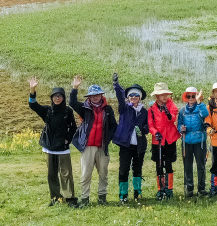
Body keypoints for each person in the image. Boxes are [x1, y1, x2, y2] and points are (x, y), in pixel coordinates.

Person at [28, 78, 77, 206]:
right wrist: (32, 90)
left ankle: (70, 198)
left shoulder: (68, 111)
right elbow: (33, 105)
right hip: (49, 148)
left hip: (63, 148)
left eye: (60, 96)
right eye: (55, 96)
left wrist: (67, 139)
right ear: (52, 98)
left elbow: (73, 127)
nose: (57, 98)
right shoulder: (47, 110)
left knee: (66, 174)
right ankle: (56, 198)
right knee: (52, 175)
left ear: (63, 98)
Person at [70, 78, 117, 206]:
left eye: (97, 95)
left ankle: (102, 198)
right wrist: (75, 88)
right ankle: (85, 199)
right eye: (92, 95)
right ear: (89, 97)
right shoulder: (84, 108)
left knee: (103, 174)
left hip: (102, 146)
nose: (95, 97)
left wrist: (108, 139)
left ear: (101, 95)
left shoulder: (108, 109)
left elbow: (114, 126)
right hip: (88, 147)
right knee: (86, 174)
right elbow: (72, 102)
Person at [112, 74, 148, 203]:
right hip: (125, 144)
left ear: (140, 97)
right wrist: (116, 85)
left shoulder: (144, 112)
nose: (133, 97)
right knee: (124, 170)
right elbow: (120, 97)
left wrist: (143, 130)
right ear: (128, 97)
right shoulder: (124, 108)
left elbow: (147, 127)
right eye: (131, 95)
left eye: (136, 95)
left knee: (137, 169)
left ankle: (137, 192)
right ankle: (123, 194)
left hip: (139, 145)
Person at [148, 83, 179, 200]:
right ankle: (160, 189)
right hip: (158, 140)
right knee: (159, 165)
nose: (165, 96)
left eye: (166, 94)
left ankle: (169, 189)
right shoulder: (151, 109)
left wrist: (167, 113)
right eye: (162, 94)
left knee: (168, 164)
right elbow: (150, 125)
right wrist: (155, 132)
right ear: (157, 96)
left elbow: (173, 118)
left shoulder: (172, 105)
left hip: (170, 139)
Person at [178, 86, 210, 197]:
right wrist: (181, 128)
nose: (191, 98)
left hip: (199, 140)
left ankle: (201, 188)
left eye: (193, 96)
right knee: (187, 165)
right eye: (189, 96)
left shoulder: (201, 107)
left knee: (201, 165)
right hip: (186, 140)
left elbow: (205, 114)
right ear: (186, 97)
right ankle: (189, 188)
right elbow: (179, 123)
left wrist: (199, 101)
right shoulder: (182, 111)